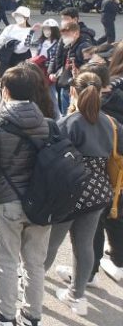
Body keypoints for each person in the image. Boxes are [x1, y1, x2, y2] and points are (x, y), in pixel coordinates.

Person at [0, 65, 51, 326]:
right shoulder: (47, 124)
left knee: (7, 261)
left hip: (8, 201)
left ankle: (4, 317)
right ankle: (31, 316)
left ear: (5, 91)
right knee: (35, 263)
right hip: (42, 202)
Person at [43, 72, 117, 316]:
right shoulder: (109, 123)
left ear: (73, 92)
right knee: (84, 245)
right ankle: (77, 296)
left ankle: (31, 281)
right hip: (98, 191)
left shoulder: (69, 122)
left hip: (70, 190)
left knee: (52, 242)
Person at [78, 62, 123, 285]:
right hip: (118, 175)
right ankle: (118, 260)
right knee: (115, 216)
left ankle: (90, 273)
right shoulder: (119, 99)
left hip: (96, 179)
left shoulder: (90, 112)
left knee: (93, 227)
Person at [49, 21, 93, 115]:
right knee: (65, 113)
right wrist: (55, 73)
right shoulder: (69, 45)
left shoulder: (83, 46)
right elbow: (61, 61)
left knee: (69, 115)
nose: (64, 38)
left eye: (67, 35)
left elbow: (90, 67)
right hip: (66, 84)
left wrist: (78, 73)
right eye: (63, 35)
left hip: (74, 87)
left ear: (76, 33)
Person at [0, 5, 35, 79]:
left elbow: (22, 48)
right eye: (17, 15)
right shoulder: (9, 28)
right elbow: (1, 41)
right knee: (4, 82)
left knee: (19, 81)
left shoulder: (29, 31)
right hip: (7, 57)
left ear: (26, 18)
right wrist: (14, 43)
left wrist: (10, 43)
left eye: (20, 16)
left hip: (21, 60)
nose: (18, 18)